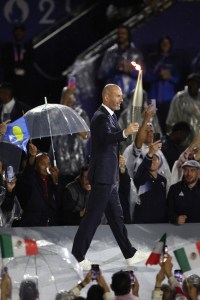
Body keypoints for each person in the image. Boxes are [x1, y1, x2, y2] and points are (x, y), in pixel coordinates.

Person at [71, 84, 141, 270]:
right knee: (93, 217)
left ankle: (129, 253)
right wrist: (125, 132)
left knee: (117, 217)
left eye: (121, 96)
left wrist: (114, 155)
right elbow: (107, 137)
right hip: (102, 176)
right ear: (106, 97)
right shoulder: (100, 117)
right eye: (117, 96)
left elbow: (107, 143)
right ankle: (78, 255)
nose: (120, 99)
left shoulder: (110, 116)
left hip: (109, 176)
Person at [49, 85, 90, 191]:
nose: (69, 100)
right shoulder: (55, 113)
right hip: (60, 165)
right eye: (66, 97)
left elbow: (85, 135)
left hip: (77, 165)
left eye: (71, 96)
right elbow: (52, 128)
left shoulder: (81, 113)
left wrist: (71, 117)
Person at [123, 105, 171, 190]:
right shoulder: (133, 149)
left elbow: (167, 176)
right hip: (139, 196)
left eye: (151, 131)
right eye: (146, 131)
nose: (149, 133)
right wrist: (146, 119)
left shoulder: (158, 152)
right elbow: (138, 144)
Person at [14, 142, 60, 226]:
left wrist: (55, 182)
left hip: (49, 226)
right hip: (32, 226)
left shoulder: (50, 180)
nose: (47, 167)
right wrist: (32, 156)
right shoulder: (31, 179)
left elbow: (57, 202)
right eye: (43, 164)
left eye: (48, 164)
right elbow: (28, 173)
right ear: (36, 166)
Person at [98, 25, 143, 109]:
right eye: (118, 33)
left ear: (128, 35)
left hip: (131, 96)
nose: (120, 35)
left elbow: (143, 74)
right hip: (112, 96)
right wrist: (115, 68)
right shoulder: (110, 53)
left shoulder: (136, 54)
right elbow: (101, 74)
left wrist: (130, 70)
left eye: (123, 33)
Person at [145, 35, 180, 133]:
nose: (165, 45)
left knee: (167, 123)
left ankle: (165, 146)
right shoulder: (152, 59)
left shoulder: (174, 60)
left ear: (170, 45)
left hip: (168, 99)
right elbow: (146, 77)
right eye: (163, 43)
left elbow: (178, 79)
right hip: (153, 98)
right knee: (151, 123)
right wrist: (158, 76)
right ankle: (153, 146)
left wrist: (169, 77)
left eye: (167, 43)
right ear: (159, 45)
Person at [133, 144, 167, 223]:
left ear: (159, 162)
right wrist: (150, 153)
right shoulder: (141, 177)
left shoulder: (163, 180)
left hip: (160, 222)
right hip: (143, 222)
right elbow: (142, 168)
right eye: (151, 159)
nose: (152, 161)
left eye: (155, 159)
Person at [1, 23, 34, 104]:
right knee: (9, 102)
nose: (19, 33)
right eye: (17, 31)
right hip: (11, 80)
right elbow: (4, 62)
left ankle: (24, 116)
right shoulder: (8, 47)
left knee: (23, 102)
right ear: (14, 33)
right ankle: (7, 116)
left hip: (24, 81)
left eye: (21, 31)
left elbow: (31, 62)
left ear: (24, 33)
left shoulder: (28, 47)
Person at [166, 73, 200, 137]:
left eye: (195, 83)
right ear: (187, 84)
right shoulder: (179, 98)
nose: (192, 85)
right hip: (183, 139)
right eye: (191, 83)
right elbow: (170, 120)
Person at [167, 160, 200, 225]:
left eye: (192, 170)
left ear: (198, 172)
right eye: (186, 170)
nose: (188, 174)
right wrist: (175, 218)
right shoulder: (174, 188)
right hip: (179, 231)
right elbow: (168, 210)